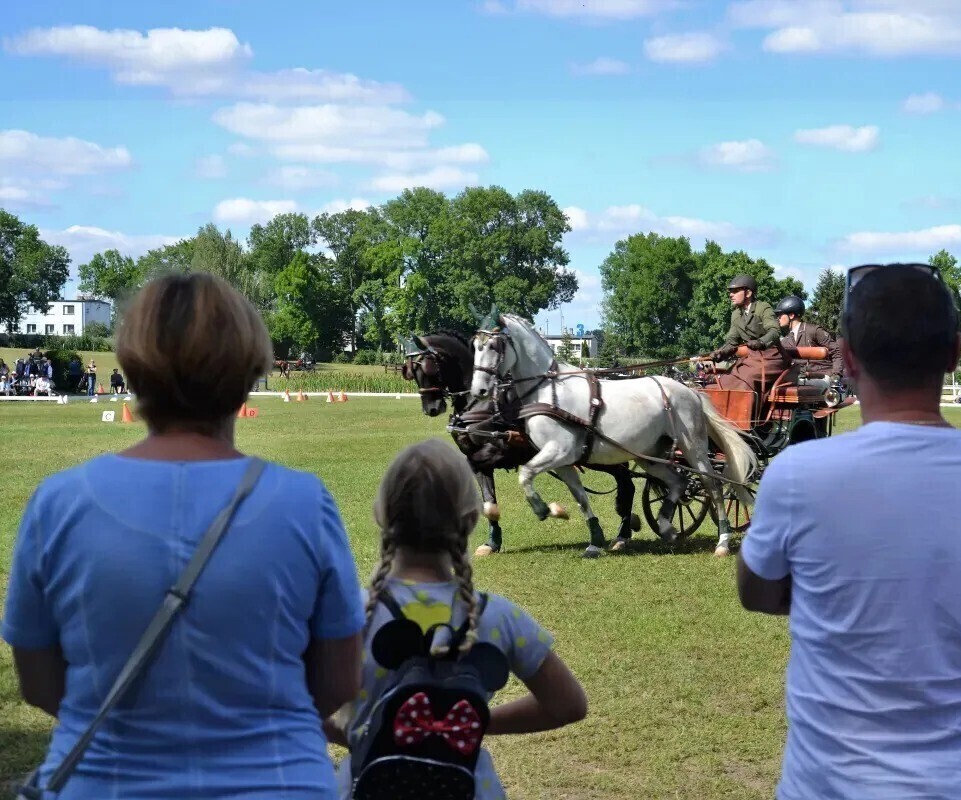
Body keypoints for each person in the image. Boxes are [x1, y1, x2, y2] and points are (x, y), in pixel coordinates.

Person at [2, 272, 365, 799]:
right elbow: (337, 680)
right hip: (277, 779)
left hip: (105, 780)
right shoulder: (304, 504)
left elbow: (37, 682)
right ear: (250, 370)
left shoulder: (58, 503)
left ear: (131, 366)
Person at [735, 263, 961, 799]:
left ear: (847, 358)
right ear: (956, 353)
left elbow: (755, 593)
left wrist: (831, 593)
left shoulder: (796, 475)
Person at [327, 438, 588, 799]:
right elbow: (568, 705)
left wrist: (367, 729)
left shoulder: (345, 616)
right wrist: (470, 723)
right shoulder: (499, 617)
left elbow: (289, 704)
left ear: (381, 516)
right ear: (469, 520)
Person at [707, 273, 787, 396]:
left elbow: (774, 331)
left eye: (735, 291)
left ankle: (749, 415)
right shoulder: (736, 314)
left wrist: (761, 342)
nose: (730, 295)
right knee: (724, 380)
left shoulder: (763, 308)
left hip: (772, 359)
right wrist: (721, 353)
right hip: (751, 359)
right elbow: (732, 342)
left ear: (748, 293)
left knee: (746, 381)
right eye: (730, 291)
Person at [773, 295, 842, 383]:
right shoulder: (785, 341)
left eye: (780, 315)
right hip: (800, 378)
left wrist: (836, 374)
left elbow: (836, 351)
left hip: (822, 376)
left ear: (791, 315)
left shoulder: (814, 331)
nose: (778, 318)